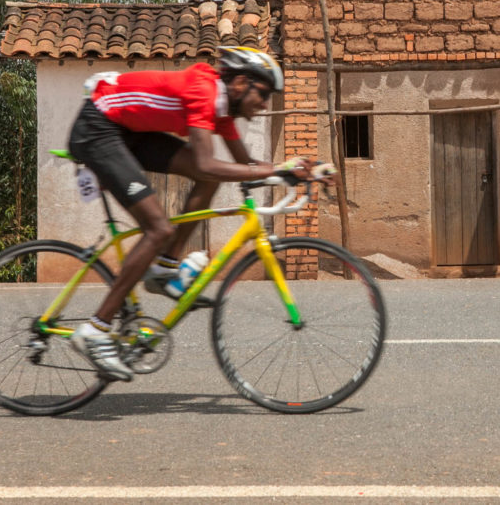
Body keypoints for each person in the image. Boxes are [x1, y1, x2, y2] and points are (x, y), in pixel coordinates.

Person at [67, 46, 315, 381]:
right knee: (159, 229)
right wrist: (273, 171)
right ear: (241, 82)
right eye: (265, 93)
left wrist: (298, 170)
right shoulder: (204, 92)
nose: (266, 103)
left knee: (204, 181)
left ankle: (165, 269)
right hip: (98, 127)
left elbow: (248, 166)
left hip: (129, 132)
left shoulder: (223, 109)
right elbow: (207, 162)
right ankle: (96, 330)